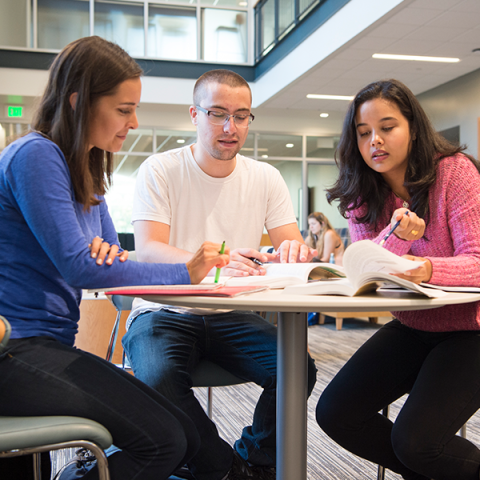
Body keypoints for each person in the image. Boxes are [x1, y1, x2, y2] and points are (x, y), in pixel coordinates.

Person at [0, 36, 231, 480]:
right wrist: (185, 271)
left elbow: (113, 263)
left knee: (185, 435)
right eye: (124, 109)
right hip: (14, 350)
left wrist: (105, 260)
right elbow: (83, 267)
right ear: (78, 102)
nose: (134, 121)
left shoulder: (86, 173)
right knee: (164, 441)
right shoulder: (36, 155)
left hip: (48, 347)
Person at [122, 69, 318, 480]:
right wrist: (216, 259)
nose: (231, 128)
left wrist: (292, 251)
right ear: (194, 115)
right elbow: (150, 248)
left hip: (230, 313)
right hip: (164, 310)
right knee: (158, 379)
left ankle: (257, 459)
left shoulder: (265, 177)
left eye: (242, 116)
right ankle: (224, 468)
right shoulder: (161, 169)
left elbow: (289, 247)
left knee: (298, 367)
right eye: (217, 114)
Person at [316, 78, 480, 480]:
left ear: (412, 127)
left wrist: (424, 269)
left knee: (417, 443)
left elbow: (478, 261)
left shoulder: (453, 173)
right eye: (364, 132)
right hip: (412, 325)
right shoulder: (360, 191)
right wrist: (399, 238)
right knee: (336, 414)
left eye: (387, 127)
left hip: (472, 329)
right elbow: (369, 269)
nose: (376, 141)